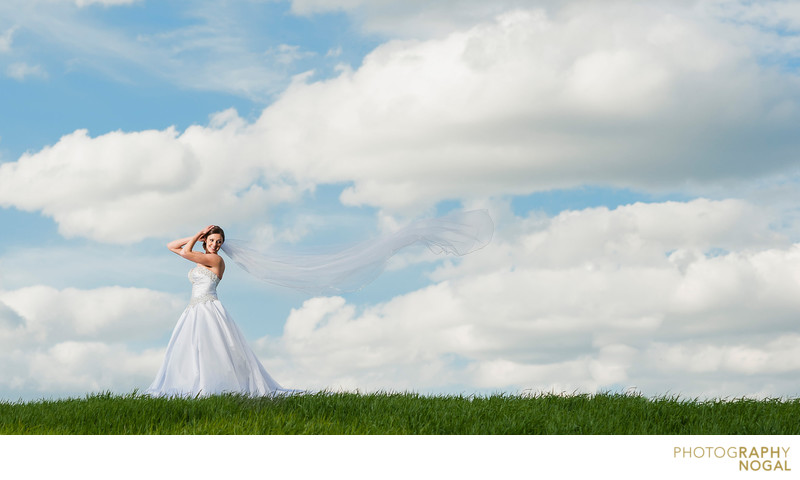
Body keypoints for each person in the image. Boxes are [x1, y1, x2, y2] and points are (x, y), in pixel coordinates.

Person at [145, 225, 290, 397]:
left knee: (214, 349)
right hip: (193, 309)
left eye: (219, 242)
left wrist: (199, 234)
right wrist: (196, 236)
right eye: (212, 240)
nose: (215, 244)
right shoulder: (201, 257)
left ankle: (217, 387)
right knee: (193, 349)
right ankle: (197, 387)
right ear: (206, 241)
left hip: (208, 309)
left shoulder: (216, 260)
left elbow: (184, 252)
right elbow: (171, 246)